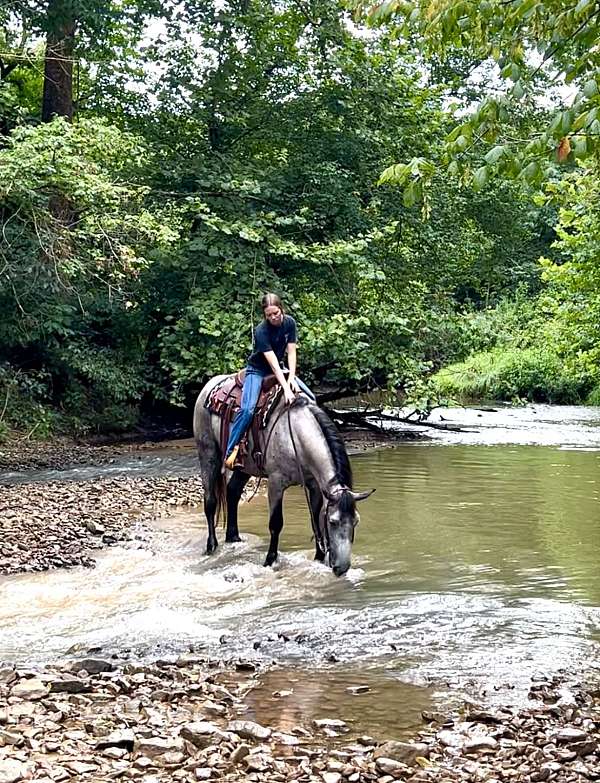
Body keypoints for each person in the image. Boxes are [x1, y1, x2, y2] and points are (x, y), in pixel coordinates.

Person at [224, 293, 315, 469]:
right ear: (264, 316)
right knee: (248, 410)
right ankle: (230, 451)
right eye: (269, 315)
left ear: (282, 309)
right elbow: (272, 364)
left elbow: (292, 352)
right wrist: (286, 388)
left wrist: (292, 379)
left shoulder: (290, 323)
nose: (273, 317)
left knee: (311, 397)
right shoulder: (261, 331)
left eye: (276, 313)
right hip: (258, 370)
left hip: (281, 368)